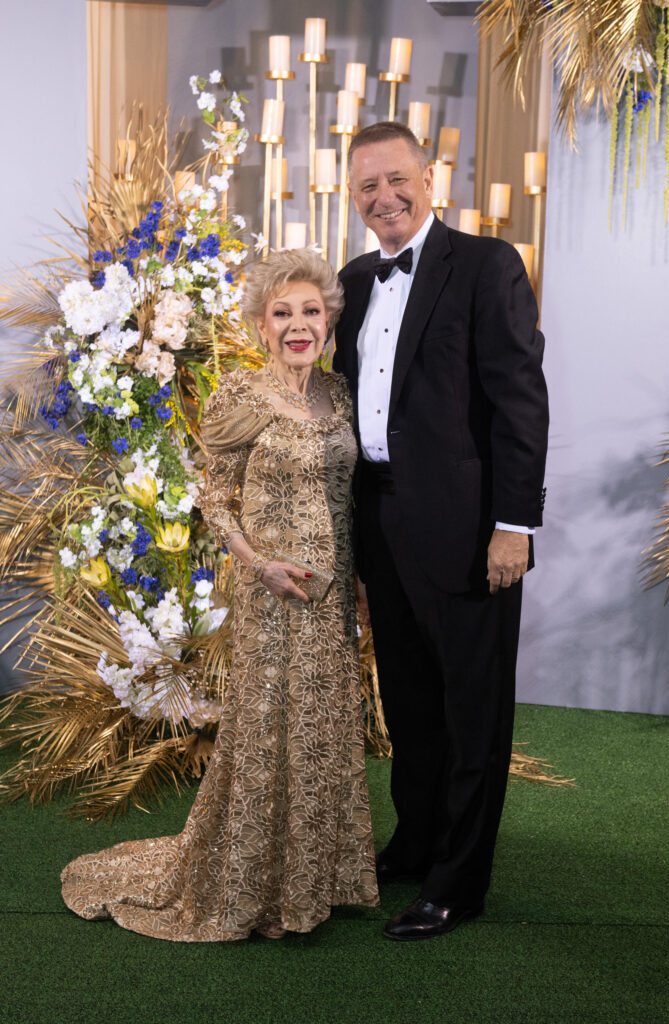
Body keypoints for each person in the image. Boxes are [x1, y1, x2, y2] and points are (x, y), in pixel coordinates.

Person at [61, 248, 379, 941]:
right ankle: (246, 886)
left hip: (329, 599)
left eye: (310, 312)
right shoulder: (240, 396)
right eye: (282, 313)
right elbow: (213, 492)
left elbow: (350, 498)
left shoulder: (340, 395)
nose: (298, 325)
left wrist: (356, 582)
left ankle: (312, 883)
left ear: (329, 321)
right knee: (267, 733)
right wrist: (256, 563)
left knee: (323, 731)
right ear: (262, 325)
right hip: (272, 592)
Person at [333, 121, 549, 941]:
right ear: (352, 197)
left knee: (472, 712)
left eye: (397, 179)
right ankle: (417, 841)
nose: (384, 197)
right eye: (366, 187)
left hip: (469, 532)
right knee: (412, 703)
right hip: (383, 524)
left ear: (431, 177)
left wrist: (513, 527)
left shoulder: (488, 266)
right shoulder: (354, 278)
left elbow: (522, 405)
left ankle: (459, 882)